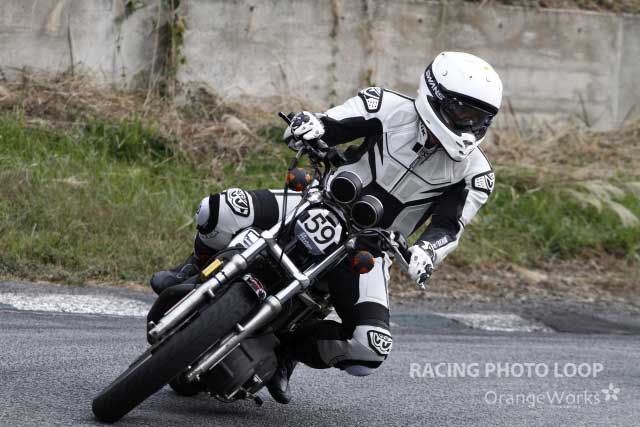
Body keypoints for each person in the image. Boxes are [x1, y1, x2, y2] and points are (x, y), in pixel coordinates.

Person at [150, 51, 502, 403]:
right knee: (216, 210)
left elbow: (449, 227)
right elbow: (332, 123)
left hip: (369, 250)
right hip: (318, 202)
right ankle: (193, 268)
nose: (470, 124)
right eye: (464, 112)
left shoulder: (476, 174)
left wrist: (427, 251)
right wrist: (311, 125)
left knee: (370, 347)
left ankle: (288, 350)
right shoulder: (385, 105)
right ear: (435, 95)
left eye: (480, 118)